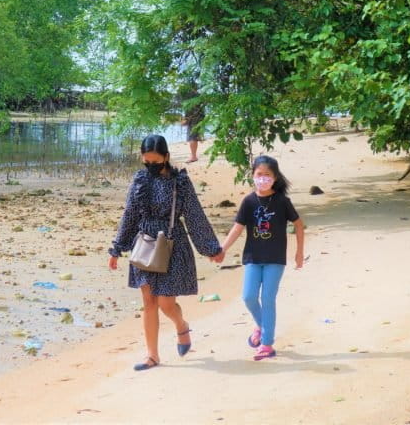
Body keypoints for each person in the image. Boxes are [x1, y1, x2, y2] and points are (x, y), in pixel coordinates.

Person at [107, 134, 222, 371]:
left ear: (166, 157)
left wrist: (210, 248)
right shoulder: (140, 180)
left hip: (172, 244)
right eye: (146, 162)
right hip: (145, 243)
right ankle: (152, 356)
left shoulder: (180, 182)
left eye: (155, 162)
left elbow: (194, 215)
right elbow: (129, 214)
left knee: (166, 304)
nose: (150, 166)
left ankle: (181, 326)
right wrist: (117, 248)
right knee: (149, 302)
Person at [217, 154, 305, 360]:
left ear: (275, 178)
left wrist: (299, 252)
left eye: (267, 175)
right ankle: (261, 325)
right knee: (248, 296)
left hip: (275, 259)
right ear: (253, 175)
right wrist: (223, 249)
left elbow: (299, 225)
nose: (263, 178)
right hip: (253, 258)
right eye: (259, 174)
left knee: (268, 299)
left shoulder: (282, 201)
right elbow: (238, 228)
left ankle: (267, 344)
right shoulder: (248, 201)